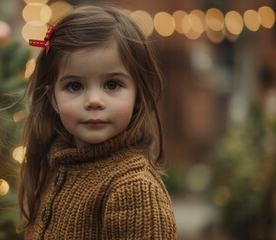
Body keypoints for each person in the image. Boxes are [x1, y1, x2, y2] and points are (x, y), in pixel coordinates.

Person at [17, 4, 177, 239]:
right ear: (53, 98)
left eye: (112, 84)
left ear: (137, 96)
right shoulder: (59, 167)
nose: (93, 101)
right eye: (75, 86)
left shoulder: (134, 189)